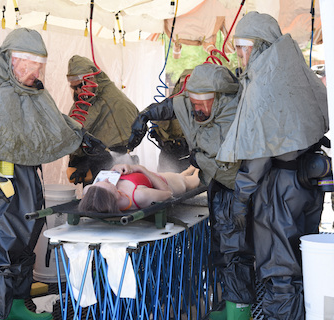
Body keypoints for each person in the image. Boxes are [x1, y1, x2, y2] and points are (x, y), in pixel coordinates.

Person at [0, 28, 106, 320]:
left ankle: (19, 305)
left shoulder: (32, 91)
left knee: (25, 242)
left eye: (39, 65)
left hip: (28, 179)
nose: (35, 71)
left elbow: (52, 122)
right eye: (28, 64)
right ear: (10, 60)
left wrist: (79, 136)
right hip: (0, 184)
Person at [216, 12, 329, 320]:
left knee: (280, 271)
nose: (239, 54)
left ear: (261, 45)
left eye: (243, 46)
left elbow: (258, 153)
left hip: (279, 188)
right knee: (303, 261)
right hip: (308, 182)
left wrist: (240, 198)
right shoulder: (297, 72)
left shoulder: (264, 84)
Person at [128, 63, 255, 319]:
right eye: (193, 102)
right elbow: (173, 106)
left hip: (238, 187)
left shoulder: (235, 112)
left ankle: (241, 312)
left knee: (235, 250)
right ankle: (231, 305)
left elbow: (228, 158)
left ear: (217, 98)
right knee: (220, 246)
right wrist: (146, 115)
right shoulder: (191, 104)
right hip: (216, 185)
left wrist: (198, 158)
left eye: (203, 104)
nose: (198, 109)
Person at [66, 55, 139, 185]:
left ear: (91, 78)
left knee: (108, 200)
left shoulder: (111, 100)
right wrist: (78, 159)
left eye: (80, 86)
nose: (78, 91)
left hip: (112, 165)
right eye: (74, 88)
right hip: (94, 163)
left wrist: (88, 159)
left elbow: (123, 142)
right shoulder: (87, 99)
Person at [78, 163, 200, 213]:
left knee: (179, 175)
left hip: (148, 177)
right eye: (108, 184)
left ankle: (189, 169)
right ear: (115, 195)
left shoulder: (92, 192)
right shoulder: (139, 196)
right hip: (165, 182)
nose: (106, 179)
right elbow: (168, 192)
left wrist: (116, 167)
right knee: (191, 180)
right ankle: (197, 169)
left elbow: (91, 190)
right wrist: (141, 169)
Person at [148, 69, 192, 172]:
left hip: (190, 159)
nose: (185, 87)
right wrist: (160, 138)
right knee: (165, 183)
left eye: (190, 83)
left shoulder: (203, 107)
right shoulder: (168, 105)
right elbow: (157, 126)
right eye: (183, 83)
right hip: (169, 157)